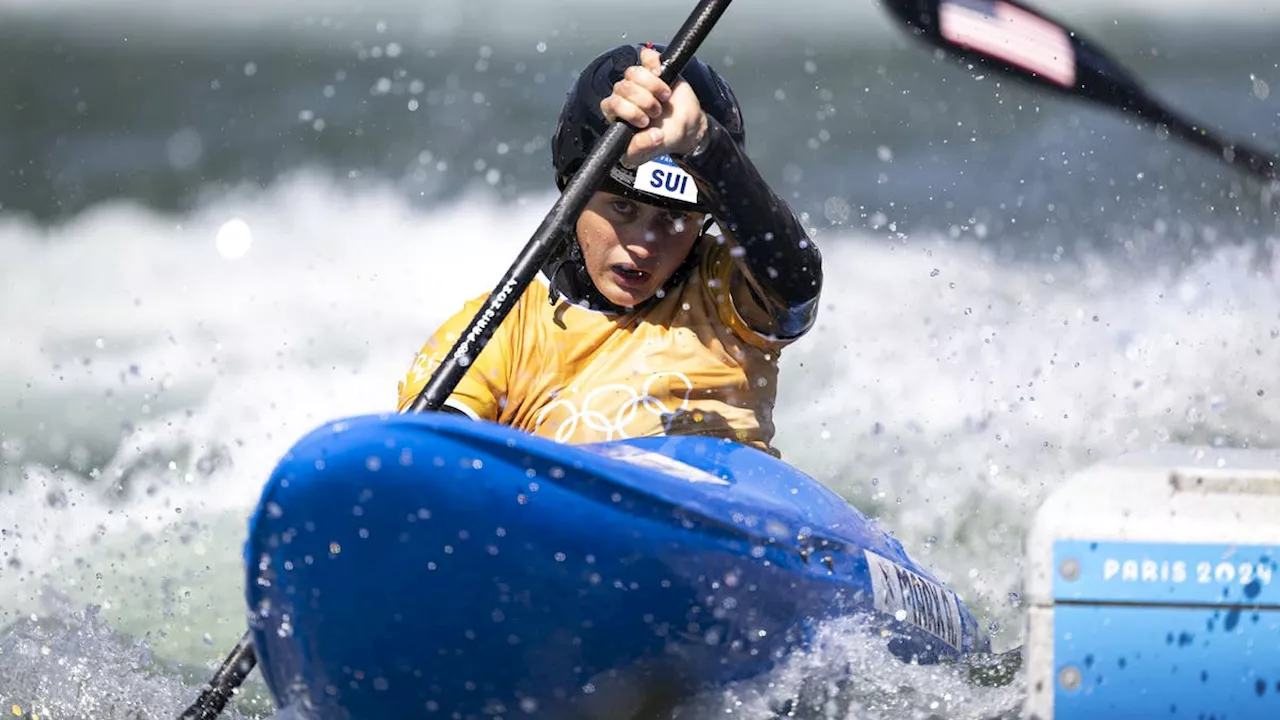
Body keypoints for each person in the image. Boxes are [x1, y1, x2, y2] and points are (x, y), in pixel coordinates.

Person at [397, 43, 822, 455]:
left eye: (674, 220)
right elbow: (425, 459)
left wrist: (704, 146)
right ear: (573, 189)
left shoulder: (725, 290)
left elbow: (797, 289)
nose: (642, 244)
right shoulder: (502, 328)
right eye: (622, 208)